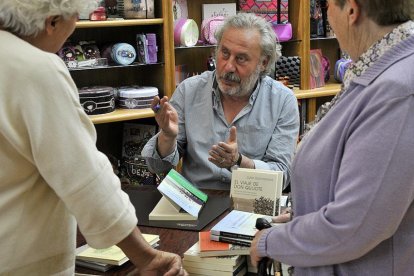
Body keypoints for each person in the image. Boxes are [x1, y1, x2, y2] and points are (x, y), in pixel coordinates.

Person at [0, 1, 187, 275]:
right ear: (52, 21)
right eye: (74, 19)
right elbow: (83, 175)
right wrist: (146, 256)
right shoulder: (36, 68)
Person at [250, 0, 414, 275]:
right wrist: (305, 212)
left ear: (351, 10)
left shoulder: (396, 91)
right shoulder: (378, 69)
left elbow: (356, 224)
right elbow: (376, 192)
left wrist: (269, 242)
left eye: (326, 6)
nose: (324, 15)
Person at [142, 13, 299, 191]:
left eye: (241, 58)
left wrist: (239, 161)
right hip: (196, 204)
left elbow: (282, 176)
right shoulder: (189, 91)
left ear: (264, 62)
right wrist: (167, 137)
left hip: (250, 204)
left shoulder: (282, 101)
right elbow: (156, 167)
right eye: (224, 53)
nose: (228, 66)